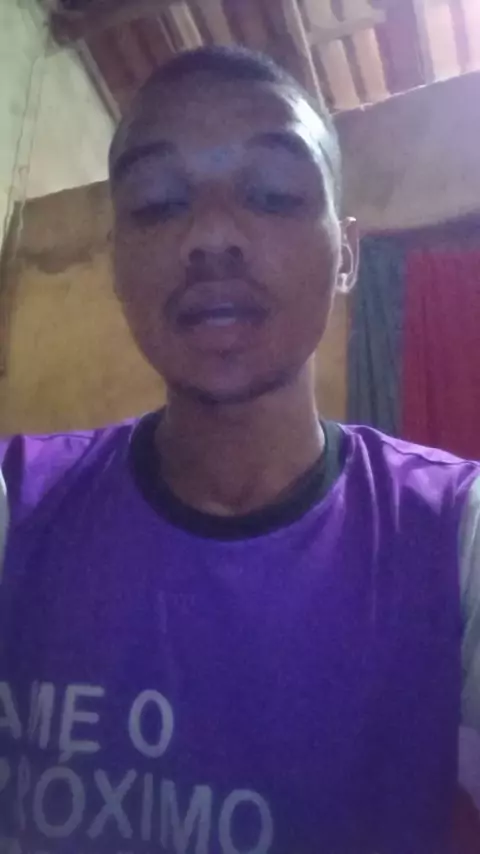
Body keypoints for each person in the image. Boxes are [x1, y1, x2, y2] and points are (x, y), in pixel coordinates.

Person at [0, 45, 479, 854]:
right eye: (158, 202)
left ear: (347, 257)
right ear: (115, 264)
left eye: (272, 193)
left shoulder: (455, 539)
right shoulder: (19, 505)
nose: (211, 233)